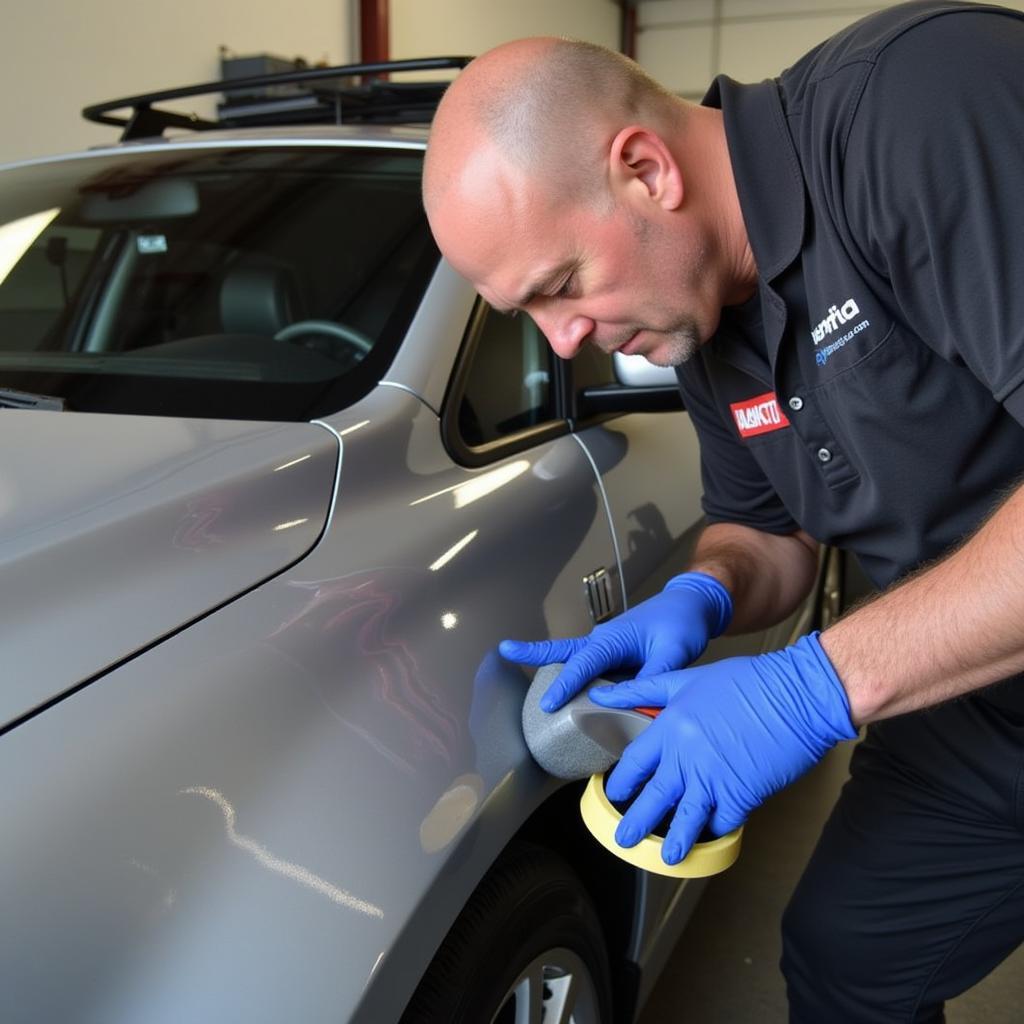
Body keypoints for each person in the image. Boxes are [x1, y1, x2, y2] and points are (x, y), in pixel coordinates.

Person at [423, 1, 1024, 1019]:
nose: (562, 341)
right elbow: (768, 532)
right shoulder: (700, 323)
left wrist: (810, 688)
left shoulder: (922, 102)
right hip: (972, 702)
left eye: (561, 284)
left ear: (647, 170)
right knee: (844, 960)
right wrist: (705, 591)